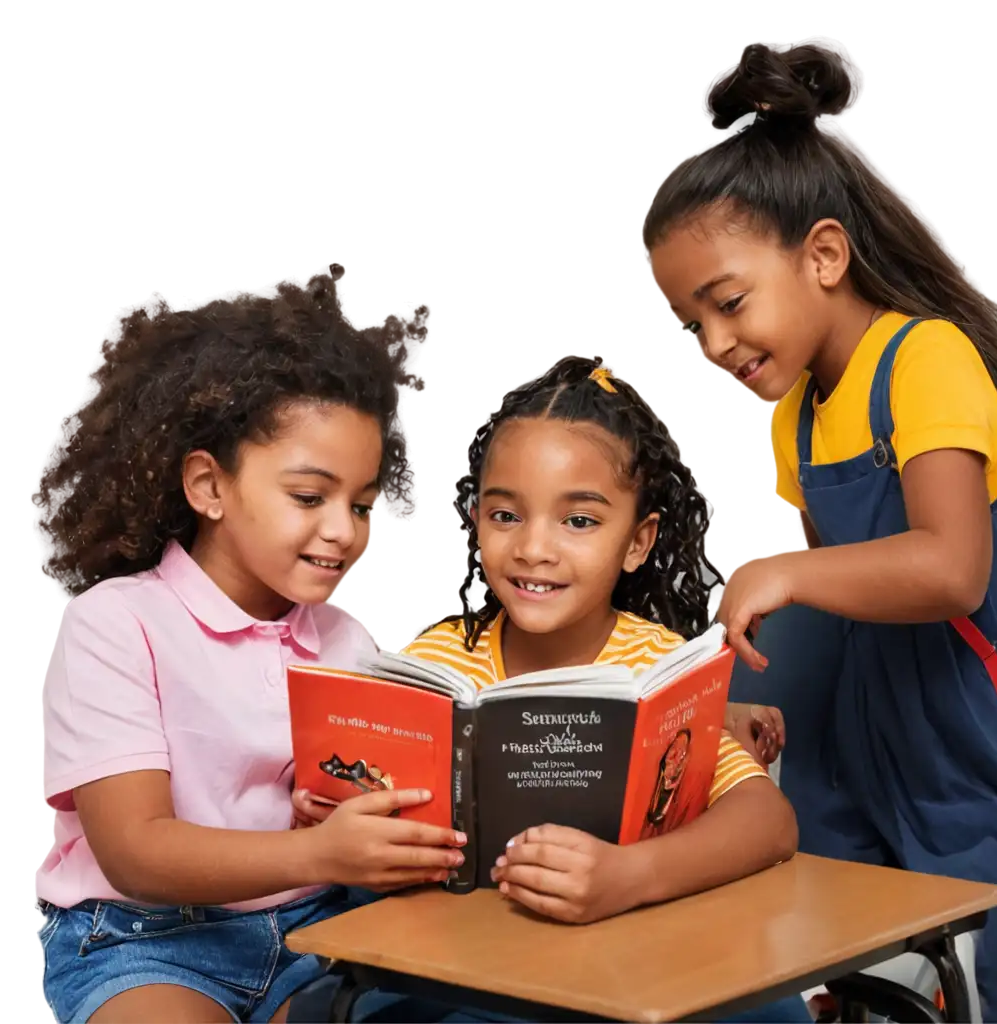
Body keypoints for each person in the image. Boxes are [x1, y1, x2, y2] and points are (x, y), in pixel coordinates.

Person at [637, 40, 997, 1023]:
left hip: (971, 704)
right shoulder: (797, 407)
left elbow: (951, 568)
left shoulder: (926, 358)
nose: (714, 345)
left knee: (985, 943)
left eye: (726, 304)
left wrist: (786, 580)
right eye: (689, 326)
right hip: (880, 704)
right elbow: (822, 567)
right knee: (846, 925)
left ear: (825, 256)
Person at [297, 357, 810, 1024]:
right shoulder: (431, 668)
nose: (533, 548)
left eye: (579, 522)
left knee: (771, 1013)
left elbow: (770, 821)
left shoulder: (659, 668)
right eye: (506, 515)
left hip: (621, 957)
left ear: (637, 541)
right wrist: (332, 817)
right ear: (476, 520)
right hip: (461, 966)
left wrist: (631, 877)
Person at [28, 285, 468, 1024]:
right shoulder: (115, 624)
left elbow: (331, 813)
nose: (344, 532)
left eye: (359, 506)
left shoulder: (345, 642)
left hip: (319, 929)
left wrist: (351, 826)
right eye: (309, 497)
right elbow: (136, 851)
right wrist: (323, 853)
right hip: (148, 940)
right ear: (208, 486)